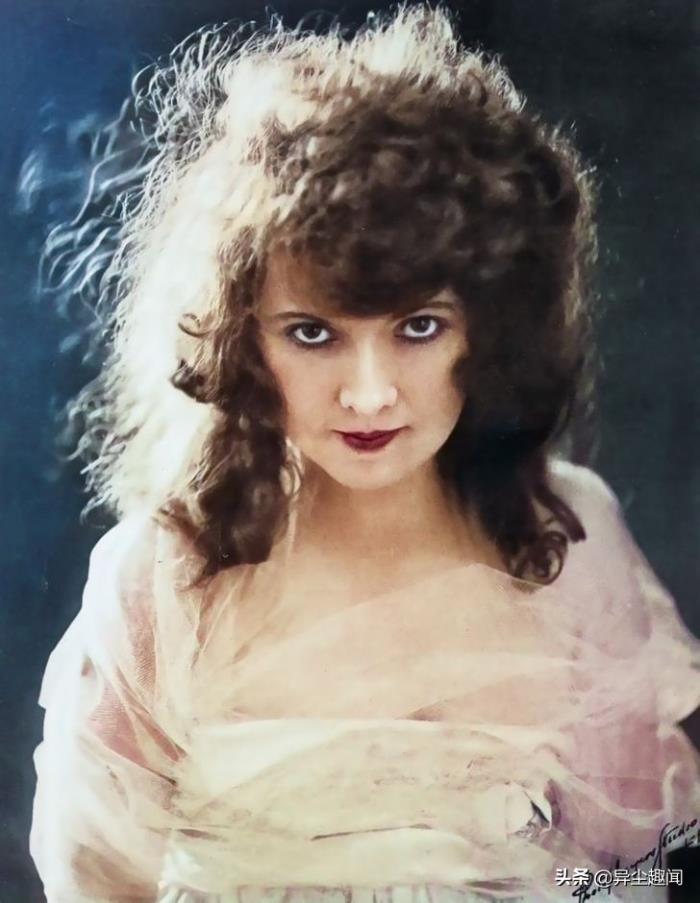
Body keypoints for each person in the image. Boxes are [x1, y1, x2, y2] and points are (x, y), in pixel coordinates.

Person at [29, 5, 700, 902]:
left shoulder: (569, 535)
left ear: (491, 328)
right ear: (242, 338)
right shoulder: (168, 576)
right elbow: (96, 886)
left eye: (418, 327)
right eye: (313, 333)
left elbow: (632, 868)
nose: (371, 393)